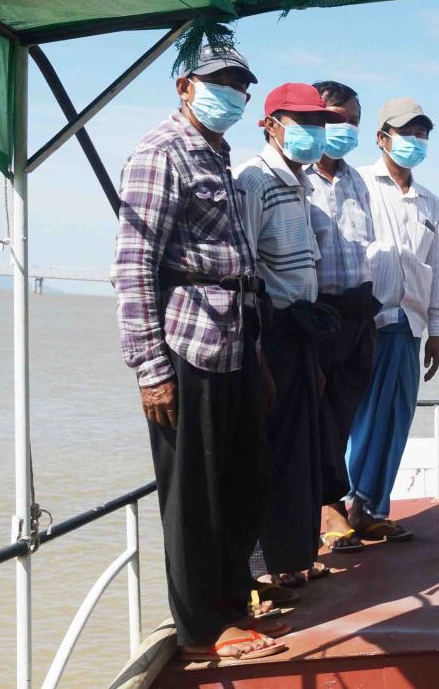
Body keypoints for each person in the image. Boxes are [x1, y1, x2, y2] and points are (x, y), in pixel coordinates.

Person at [112, 45, 286, 664]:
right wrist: (150, 369)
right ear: (184, 86)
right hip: (189, 343)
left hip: (236, 336)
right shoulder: (160, 153)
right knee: (195, 494)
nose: (231, 95)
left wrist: (258, 356)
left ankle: (232, 598)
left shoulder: (218, 151)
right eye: (220, 83)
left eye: (240, 85)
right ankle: (201, 629)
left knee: (245, 480)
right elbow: (134, 263)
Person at [233, 82, 337, 588]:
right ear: (272, 125)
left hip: (300, 332)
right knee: (268, 452)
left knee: (300, 452)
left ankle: (294, 556)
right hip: (270, 331)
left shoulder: (301, 184)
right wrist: (257, 353)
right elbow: (246, 266)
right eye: (304, 123)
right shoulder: (254, 181)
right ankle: (262, 569)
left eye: (320, 123)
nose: (315, 132)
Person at [344, 97, 439, 541]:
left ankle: (373, 509)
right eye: (407, 133)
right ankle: (341, 508)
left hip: (411, 325)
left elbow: (438, 269)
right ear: (382, 137)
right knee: (361, 419)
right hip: (368, 321)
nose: (415, 141)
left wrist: (436, 330)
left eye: (422, 134)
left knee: (396, 420)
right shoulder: (359, 184)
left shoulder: (430, 203)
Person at [303, 80, 381, 554]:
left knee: (343, 414)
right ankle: (326, 508)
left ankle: (335, 501)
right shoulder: (296, 179)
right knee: (315, 416)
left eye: (353, 121)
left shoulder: (356, 181)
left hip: (357, 314)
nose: (346, 128)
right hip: (317, 316)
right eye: (337, 119)